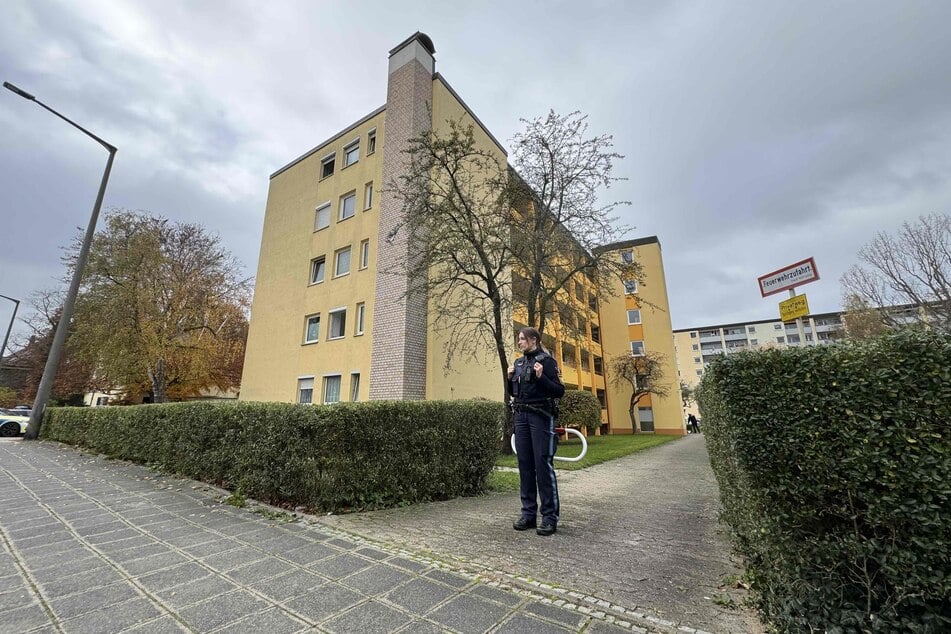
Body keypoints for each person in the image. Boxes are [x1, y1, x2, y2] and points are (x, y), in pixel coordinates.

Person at [508, 327, 565, 536]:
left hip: (540, 416)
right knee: (525, 466)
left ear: (534, 340)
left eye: (522, 339)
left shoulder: (547, 361)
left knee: (542, 465)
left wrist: (541, 377)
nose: (520, 342)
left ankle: (549, 517)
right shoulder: (519, 363)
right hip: (521, 416)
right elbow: (514, 392)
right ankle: (528, 514)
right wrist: (509, 379)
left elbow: (559, 391)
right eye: (519, 339)